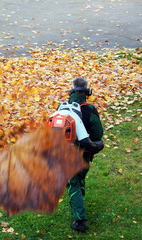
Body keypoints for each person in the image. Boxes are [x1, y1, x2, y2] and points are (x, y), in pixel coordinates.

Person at [66, 77, 104, 232]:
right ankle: (78, 205)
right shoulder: (90, 110)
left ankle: (80, 220)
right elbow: (98, 134)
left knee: (73, 183)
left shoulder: (62, 106)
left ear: (71, 91)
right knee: (79, 178)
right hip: (85, 154)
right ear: (88, 92)